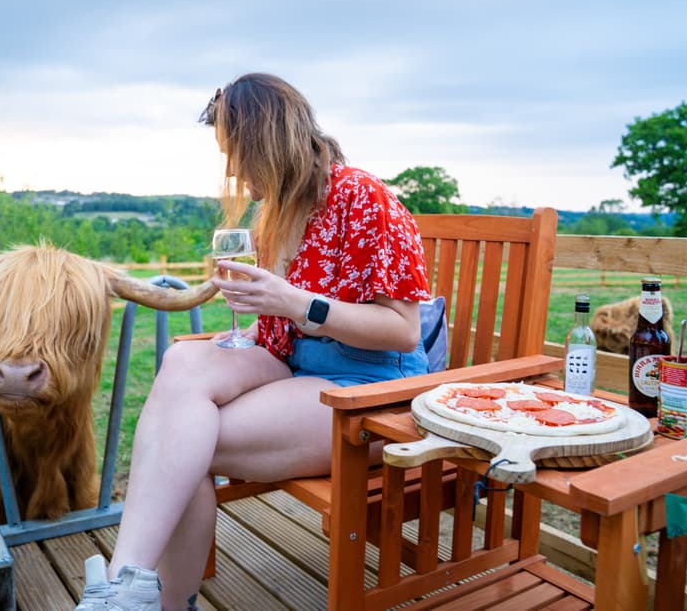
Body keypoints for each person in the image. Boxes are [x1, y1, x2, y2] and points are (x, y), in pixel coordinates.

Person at [75, 73, 432, 610]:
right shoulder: (278, 213)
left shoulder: (362, 197)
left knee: (180, 449)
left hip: (372, 390)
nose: (233, 169)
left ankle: (140, 596)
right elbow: (279, 331)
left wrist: (292, 302)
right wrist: (255, 314)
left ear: (266, 140)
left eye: (235, 151)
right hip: (300, 371)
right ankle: (133, 588)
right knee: (180, 364)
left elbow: (402, 330)